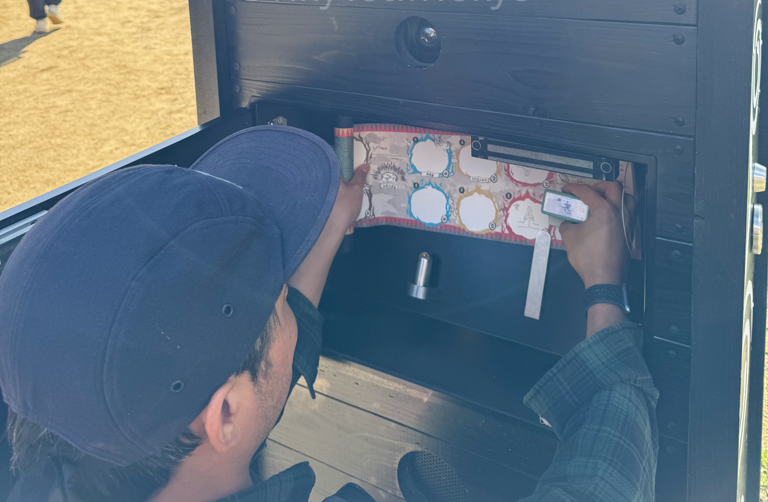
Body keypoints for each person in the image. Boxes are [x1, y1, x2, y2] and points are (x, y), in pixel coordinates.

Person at [0, 125, 657, 502]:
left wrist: (327, 234)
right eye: (277, 296)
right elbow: (598, 485)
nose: (286, 295)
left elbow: (242, 376)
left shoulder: (56, 449)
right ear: (221, 414)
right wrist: (603, 288)